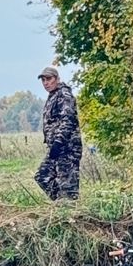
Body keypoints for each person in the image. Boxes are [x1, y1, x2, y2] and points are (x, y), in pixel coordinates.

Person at [35, 64, 83, 201]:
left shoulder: (64, 94)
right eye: (43, 80)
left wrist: (58, 142)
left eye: (48, 79)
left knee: (67, 185)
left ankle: (69, 208)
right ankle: (62, 203)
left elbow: (67, 120)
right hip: (56, 149)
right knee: (42, 176)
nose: (46, 83)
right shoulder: (53, 96)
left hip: (67, 148)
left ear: (57, 79)